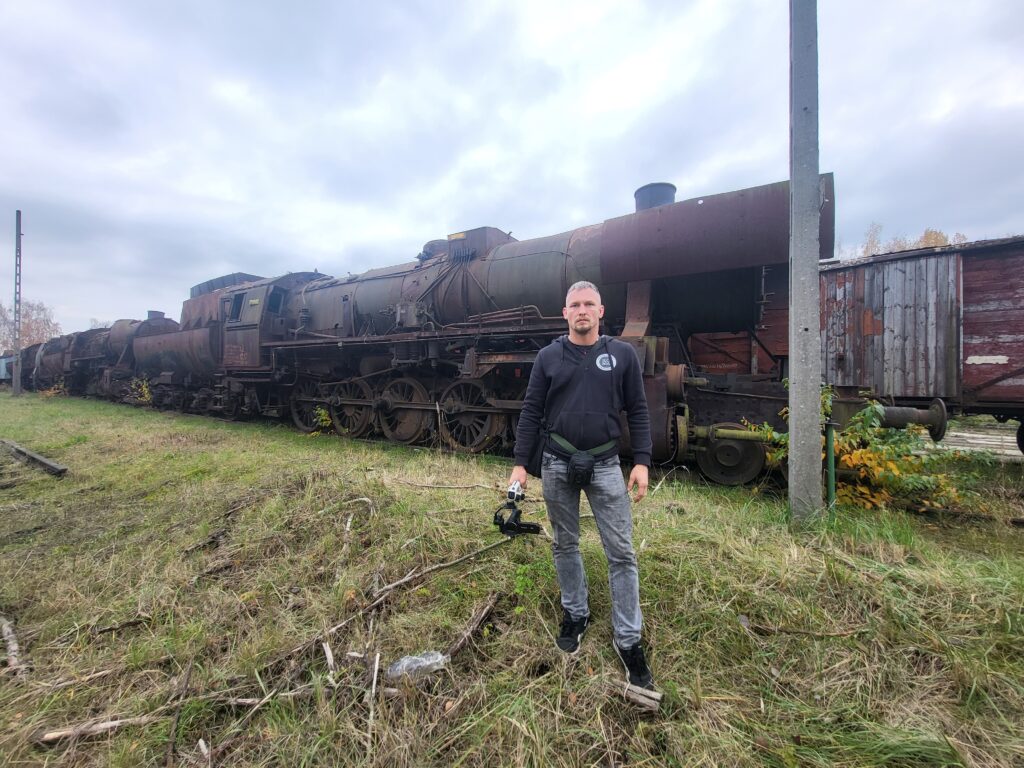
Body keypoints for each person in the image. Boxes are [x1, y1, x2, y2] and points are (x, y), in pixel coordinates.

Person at [508, 280, 654, 689]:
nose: (583, 310)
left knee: (621, 551)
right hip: (556, 461)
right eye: (576, 304)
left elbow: (639, 410)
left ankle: (629, 640)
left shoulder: (621, 355)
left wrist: (641, 461)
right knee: (564, 543)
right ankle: (576, 614)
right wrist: (521, 464)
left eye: (590, 303)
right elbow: (531, 410)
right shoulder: (548, 357)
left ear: (601, 311)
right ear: (565, 313)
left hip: (607, 464)